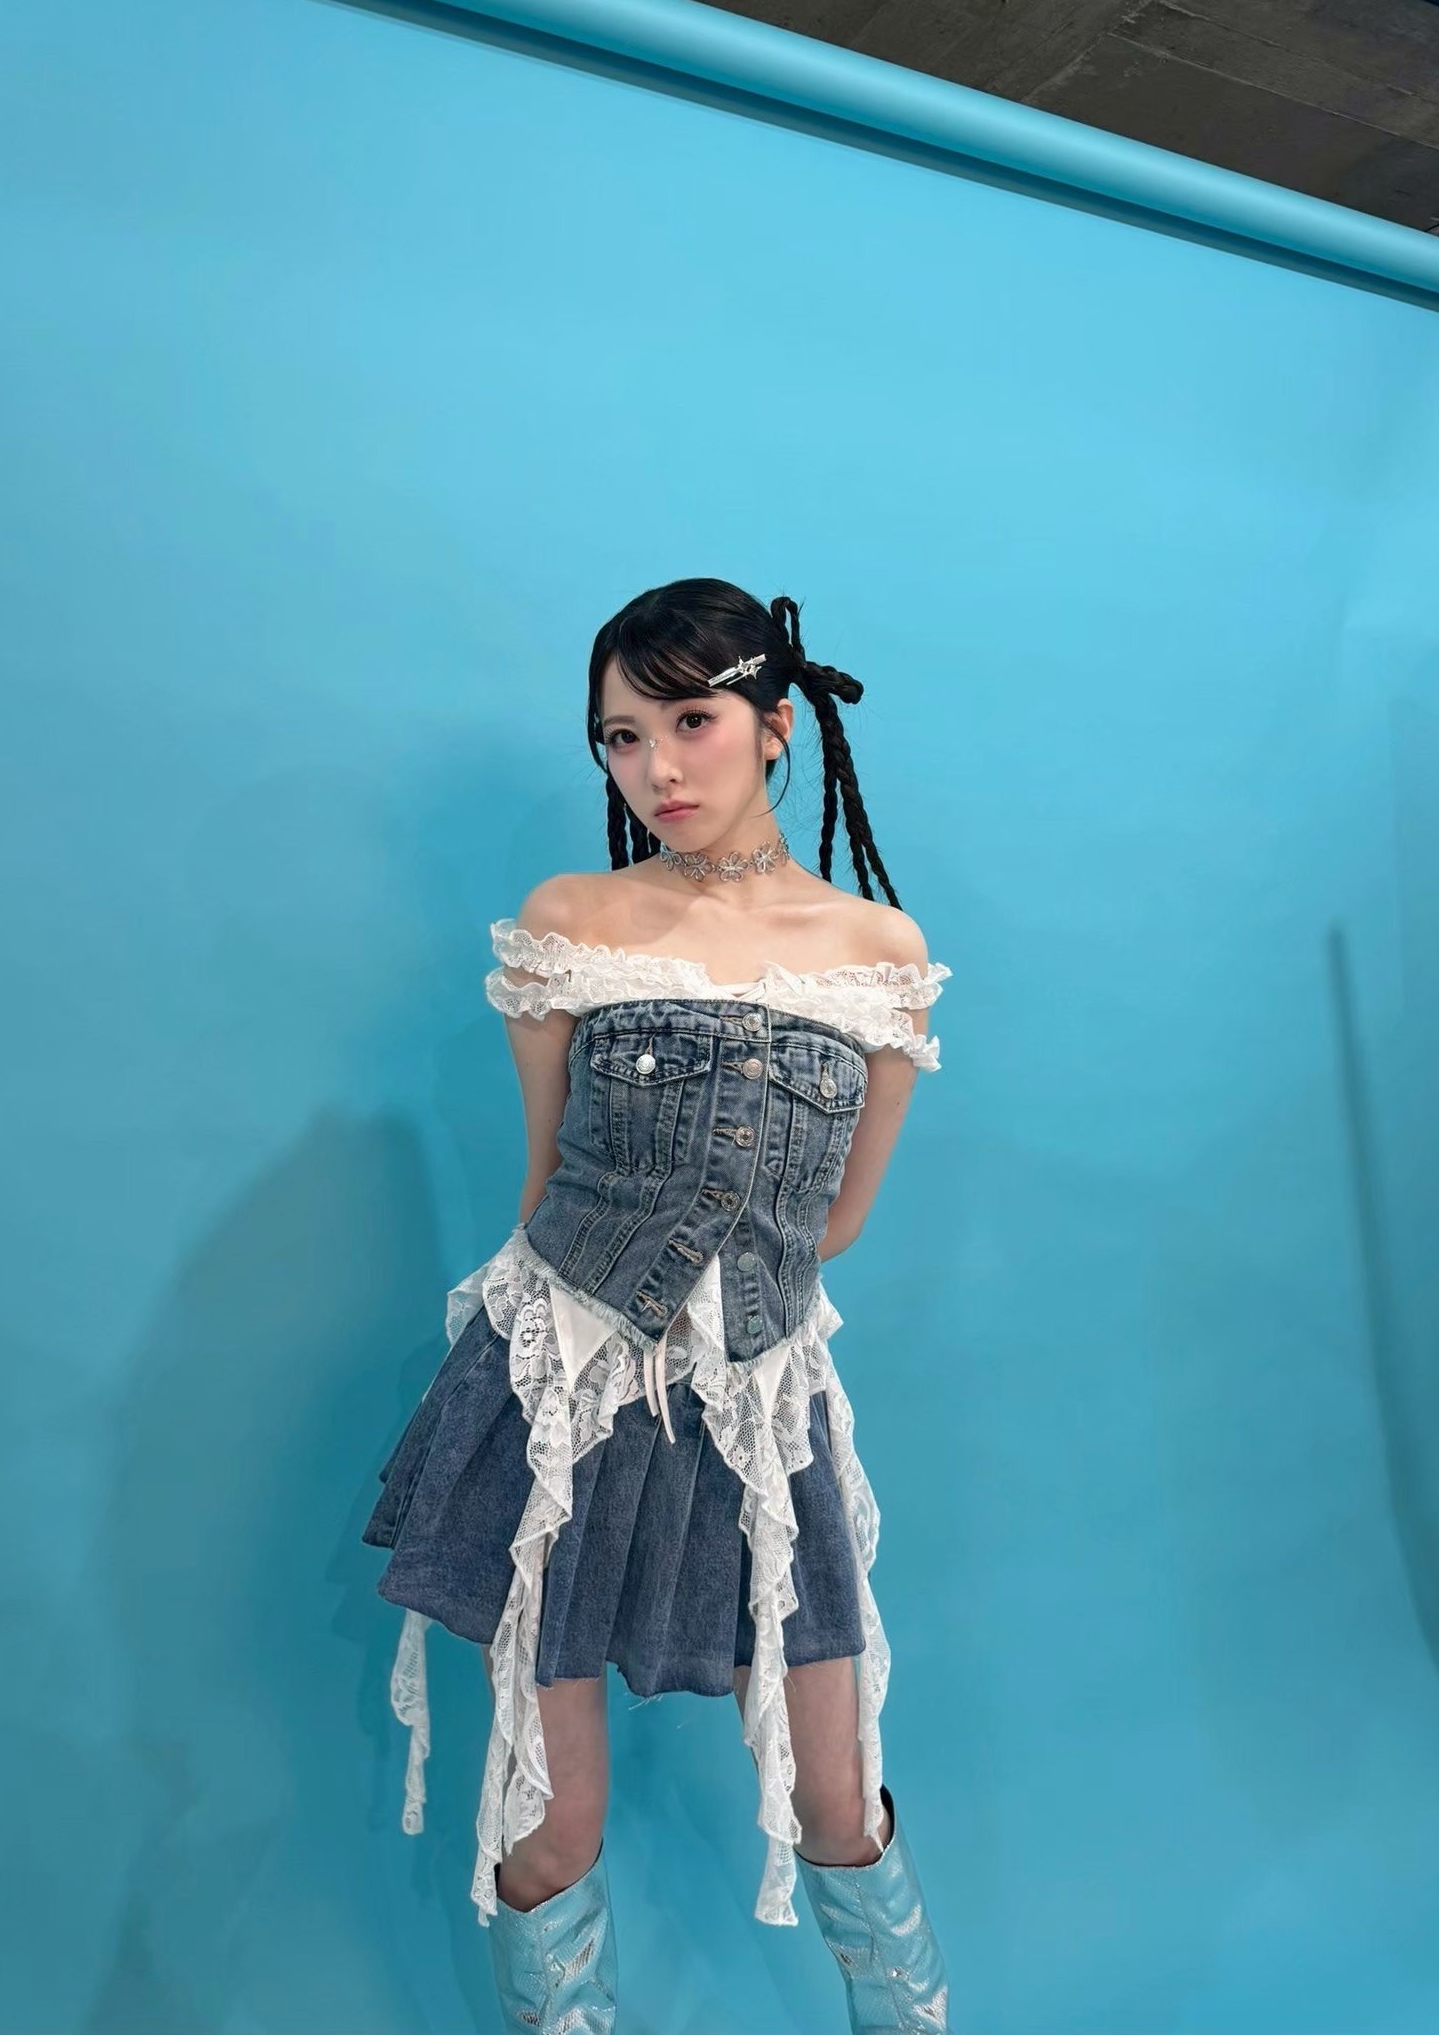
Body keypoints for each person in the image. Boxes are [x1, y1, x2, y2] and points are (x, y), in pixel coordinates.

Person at [362, 577, 955, 2033]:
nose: (657, 769)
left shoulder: (878, 953)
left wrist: (730, 1324)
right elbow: (544, 1185)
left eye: (691, 722)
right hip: (563, 1391)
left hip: (758, 1402)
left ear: (777, 725)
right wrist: (594, 1344)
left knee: (833, 1793)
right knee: (554, 1816)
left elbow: (838, 1222)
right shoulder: (573, 923)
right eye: (622, 738)